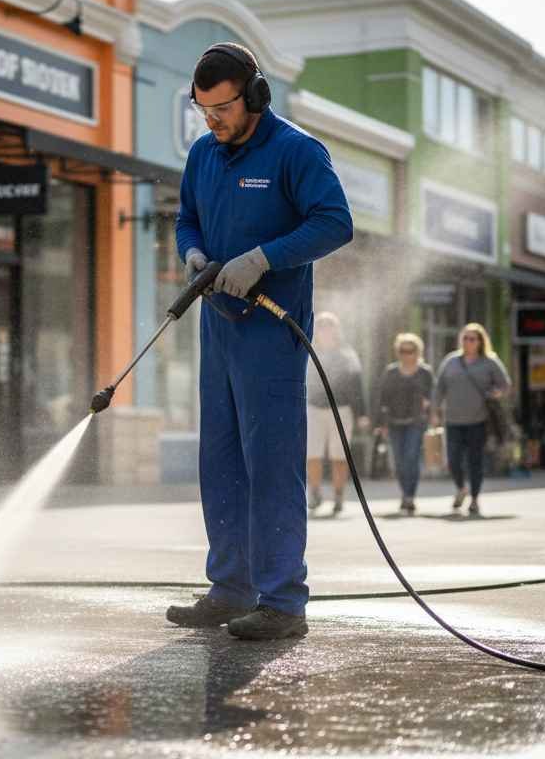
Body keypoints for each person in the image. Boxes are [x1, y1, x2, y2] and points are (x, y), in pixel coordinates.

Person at [165, 42, 352, 641]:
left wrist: (262, 258)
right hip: (218, 327)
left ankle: (283, 602)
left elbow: (335, 222)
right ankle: (230, 589)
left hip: (272, 331)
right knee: (220, 461)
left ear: (255, 96)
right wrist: (192, 251)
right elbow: (186, 217)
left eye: (221, 109)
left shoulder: (296, 151)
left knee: (270, 464)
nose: (211, 121)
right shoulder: (203, 154)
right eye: (203, 110)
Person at [432, 323, 511, 517]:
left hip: (478, 420)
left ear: (480, 342)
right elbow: (439, 388)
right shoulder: (451, 361)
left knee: (475, 461)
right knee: (453, 460)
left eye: (472, 339)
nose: (467, 342)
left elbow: (505, 385)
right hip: (453, 420)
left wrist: (496, 393)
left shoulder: (489, 362)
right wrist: (435, 411)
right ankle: (461, 488)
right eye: (465, 338)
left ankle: (474, 499)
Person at [305, 313, 368, 516]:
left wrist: (362, 413)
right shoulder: (308, 351)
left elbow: (356, 385)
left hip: (340, 410)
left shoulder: (347, 354)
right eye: (321, 326)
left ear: (336, 330)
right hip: (313, 409)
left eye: (329, 326)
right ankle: (315, 493)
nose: (325, 330)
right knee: (312, 454)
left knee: (339, 455)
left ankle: (338, 495)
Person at [373, 333, 434, 515]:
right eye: (402, 350)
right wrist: (380, 424)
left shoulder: (425, 372)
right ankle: (405, 493)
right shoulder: (391, 372)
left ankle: (409, 496)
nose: (406, 354)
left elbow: (433, 395)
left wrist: (432, 411)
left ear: (418, 352)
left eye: (410, 350)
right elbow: (382, 399)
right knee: (398, 461)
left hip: (416, 422)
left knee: (411, 457)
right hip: (394, 422)